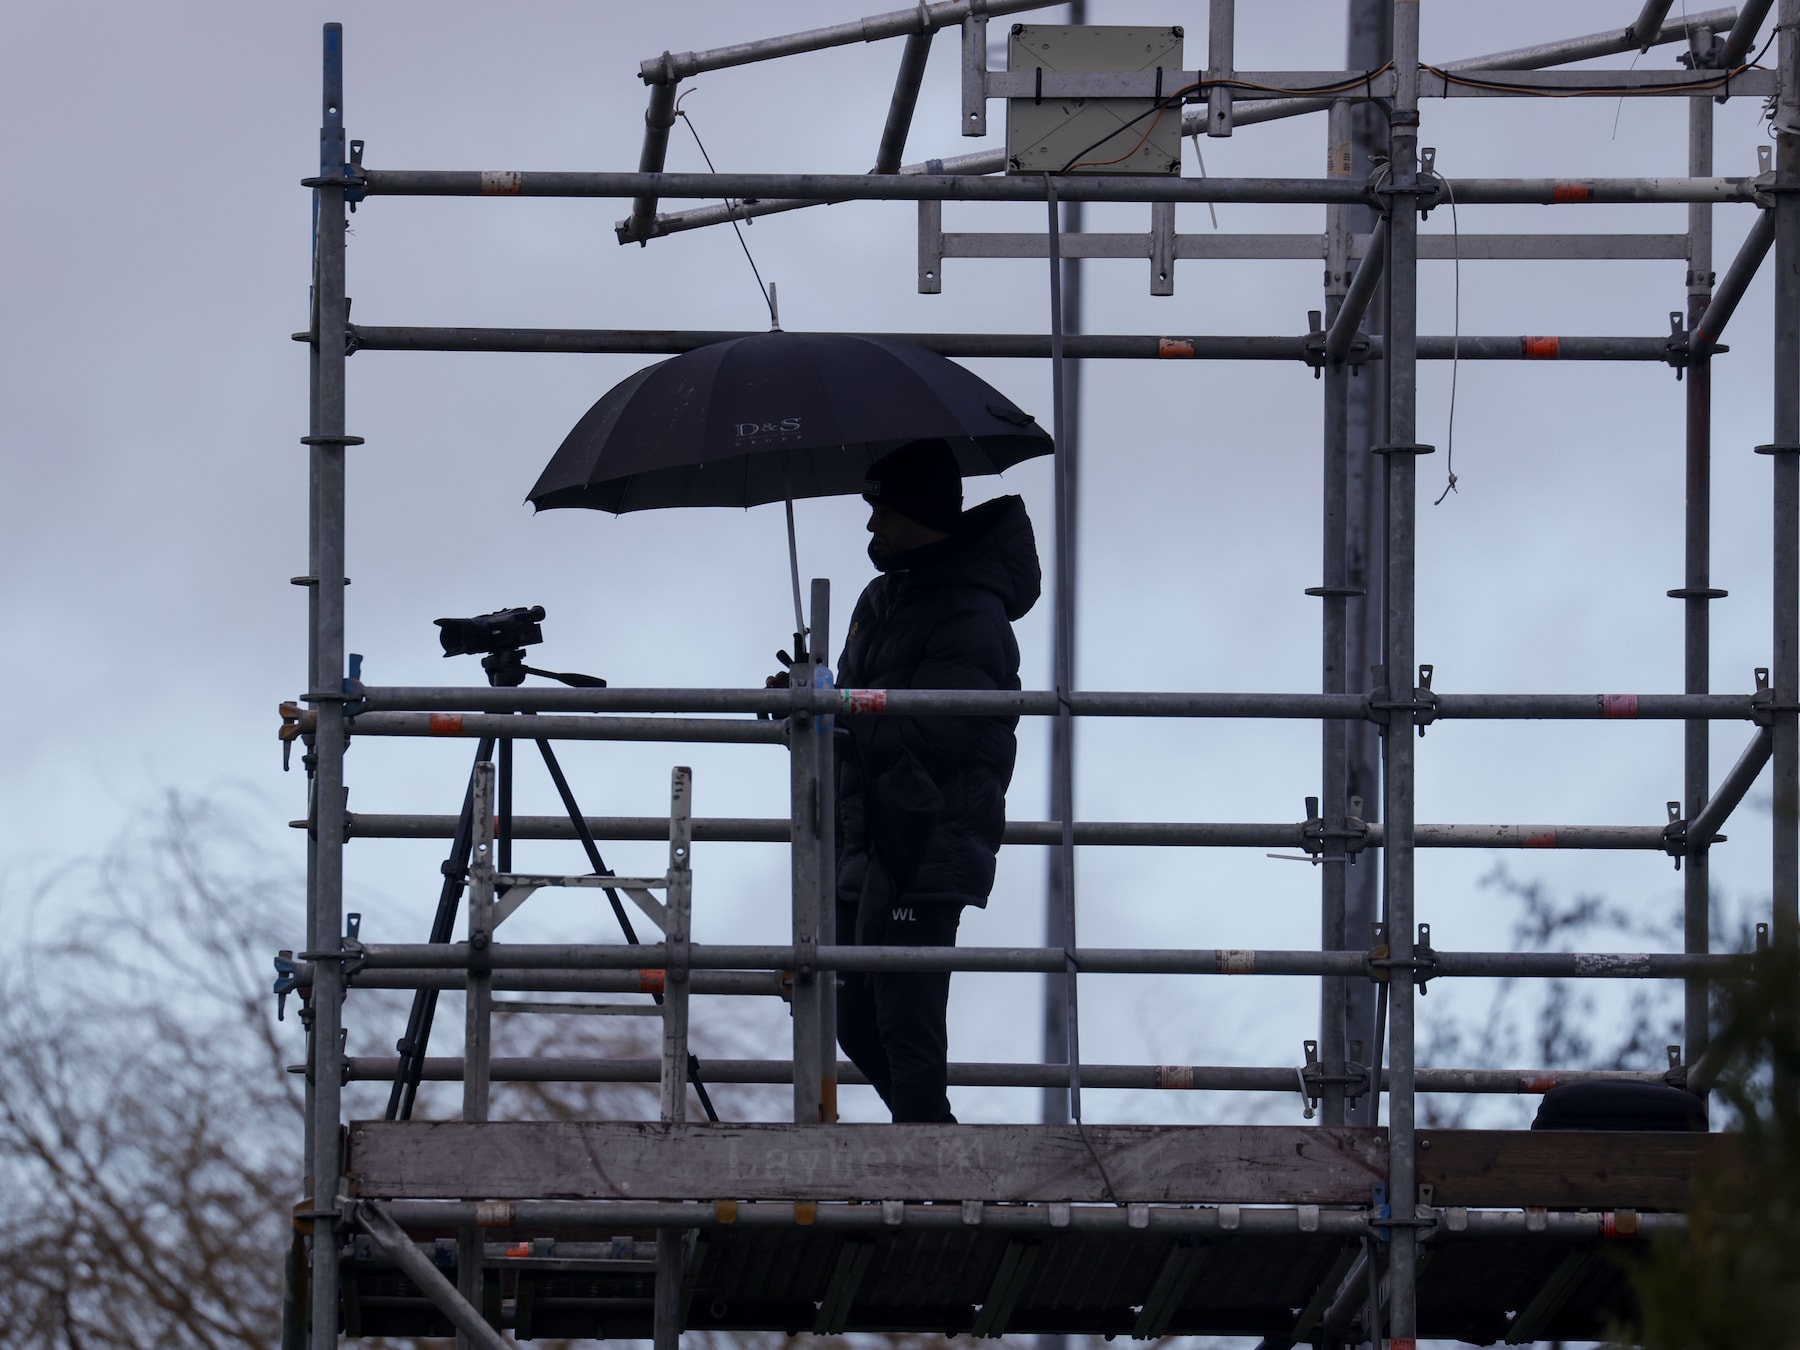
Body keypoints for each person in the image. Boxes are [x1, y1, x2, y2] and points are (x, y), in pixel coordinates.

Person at [832, 437, 1041, 1123]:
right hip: (869, 842)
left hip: (925, 840)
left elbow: (941, 734)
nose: (870, 524)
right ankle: (941, 1169)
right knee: (857, 1025)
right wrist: (810, 699)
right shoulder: (880, 598)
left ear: (915, 510)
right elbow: (866, 708)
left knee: (906, 1032)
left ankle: (936, 1190)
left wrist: (837, 712)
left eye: (881, 509)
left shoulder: (970, 612)